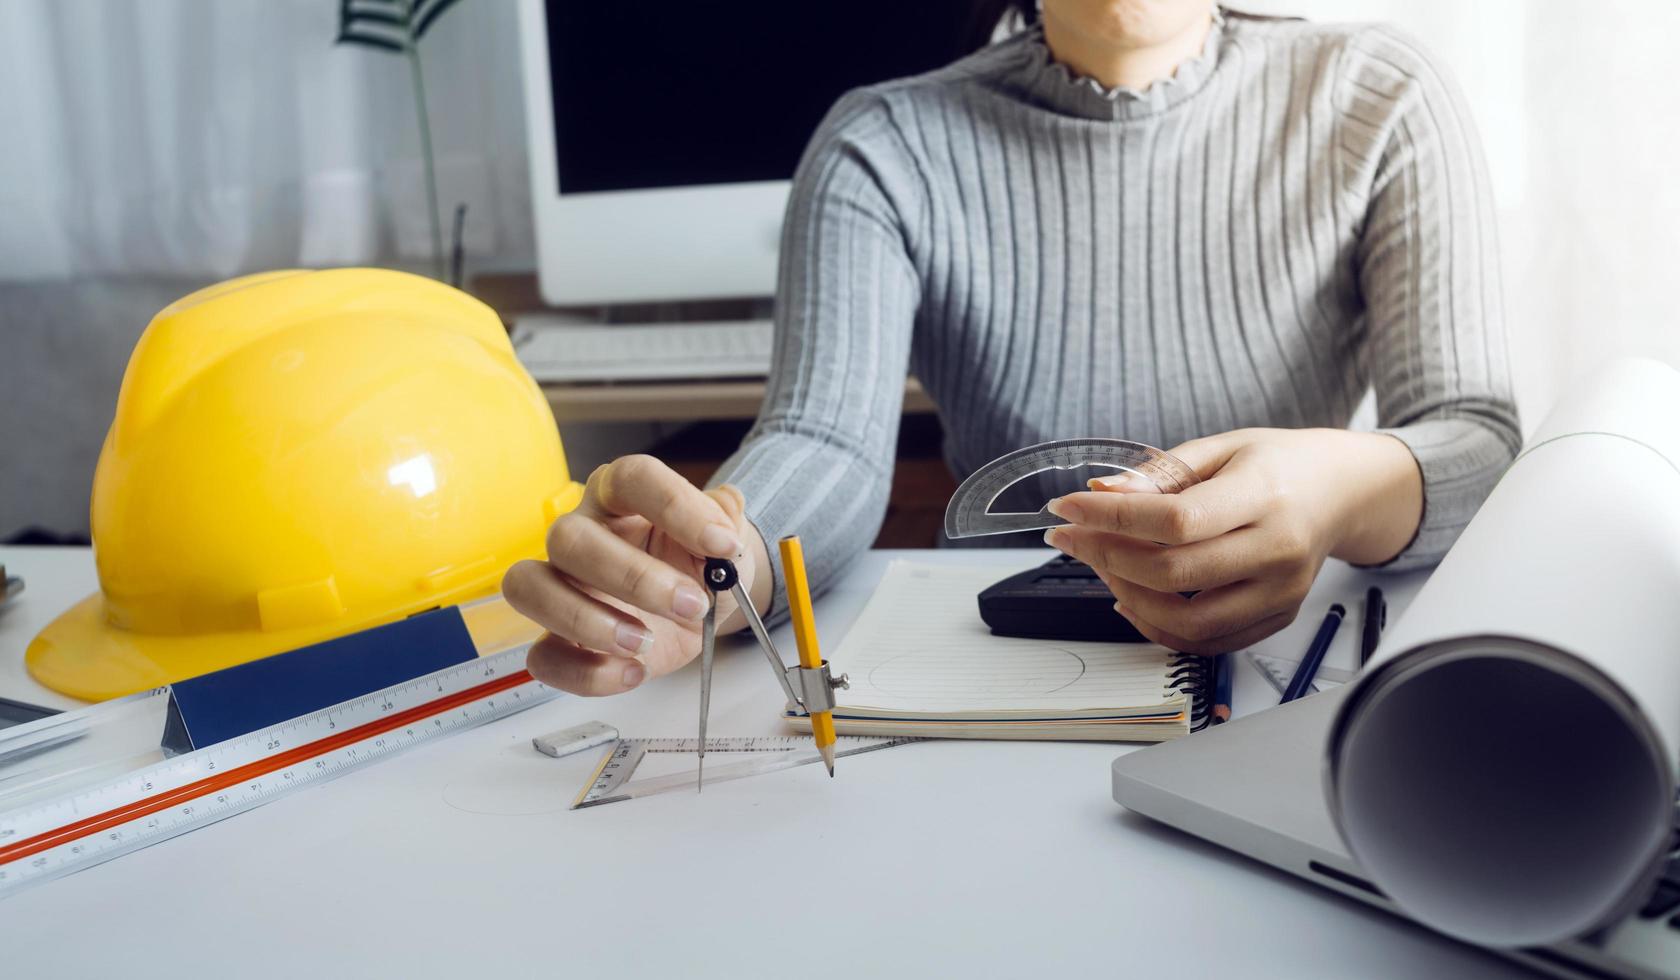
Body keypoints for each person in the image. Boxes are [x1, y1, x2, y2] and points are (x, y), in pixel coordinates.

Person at [503, 1, 1519, 697]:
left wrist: (1334, 484)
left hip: (1288, 679)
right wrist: (723, 556)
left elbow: (1478, 440)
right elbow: (824, 439)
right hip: (986, 687)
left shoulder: (1382, 99)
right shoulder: (882, 146)